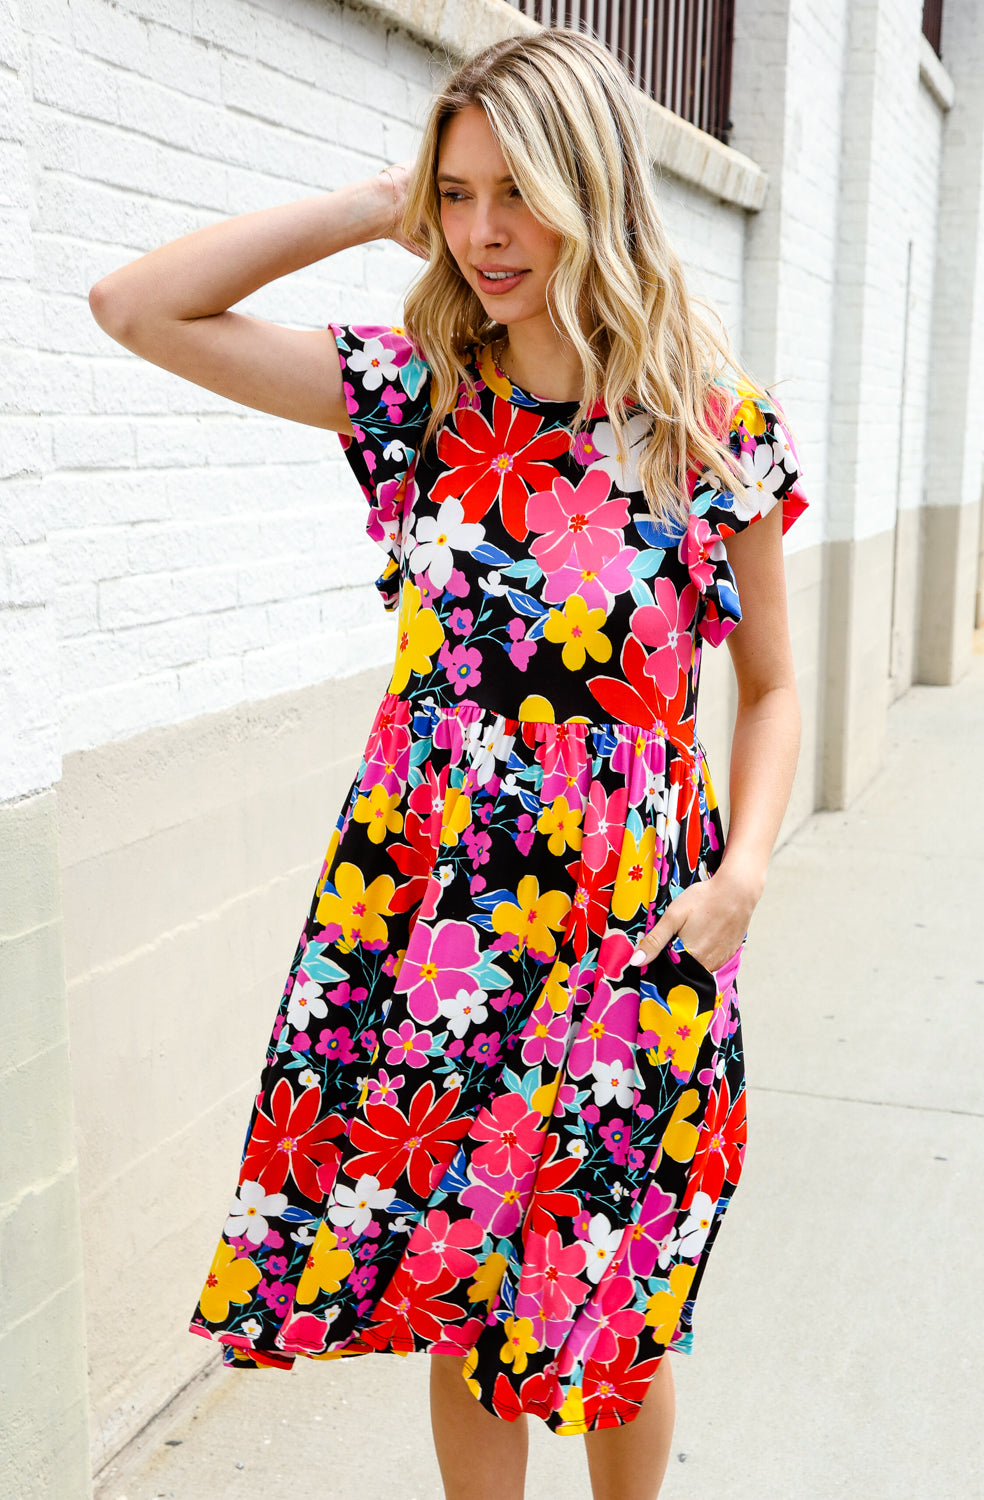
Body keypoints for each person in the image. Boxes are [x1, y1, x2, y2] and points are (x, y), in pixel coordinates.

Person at [90, 26, 806, 1500]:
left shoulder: (706, 429)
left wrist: (743, 879)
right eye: (458, 193)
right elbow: (136, 306)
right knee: (468, 1300)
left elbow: (775, 686)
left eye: (518, 192)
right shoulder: (419, 400)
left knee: (612, 1305)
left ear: (592, 192)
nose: (484, 233)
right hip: (439, 935)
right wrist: (375, 204)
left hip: (637, 929)